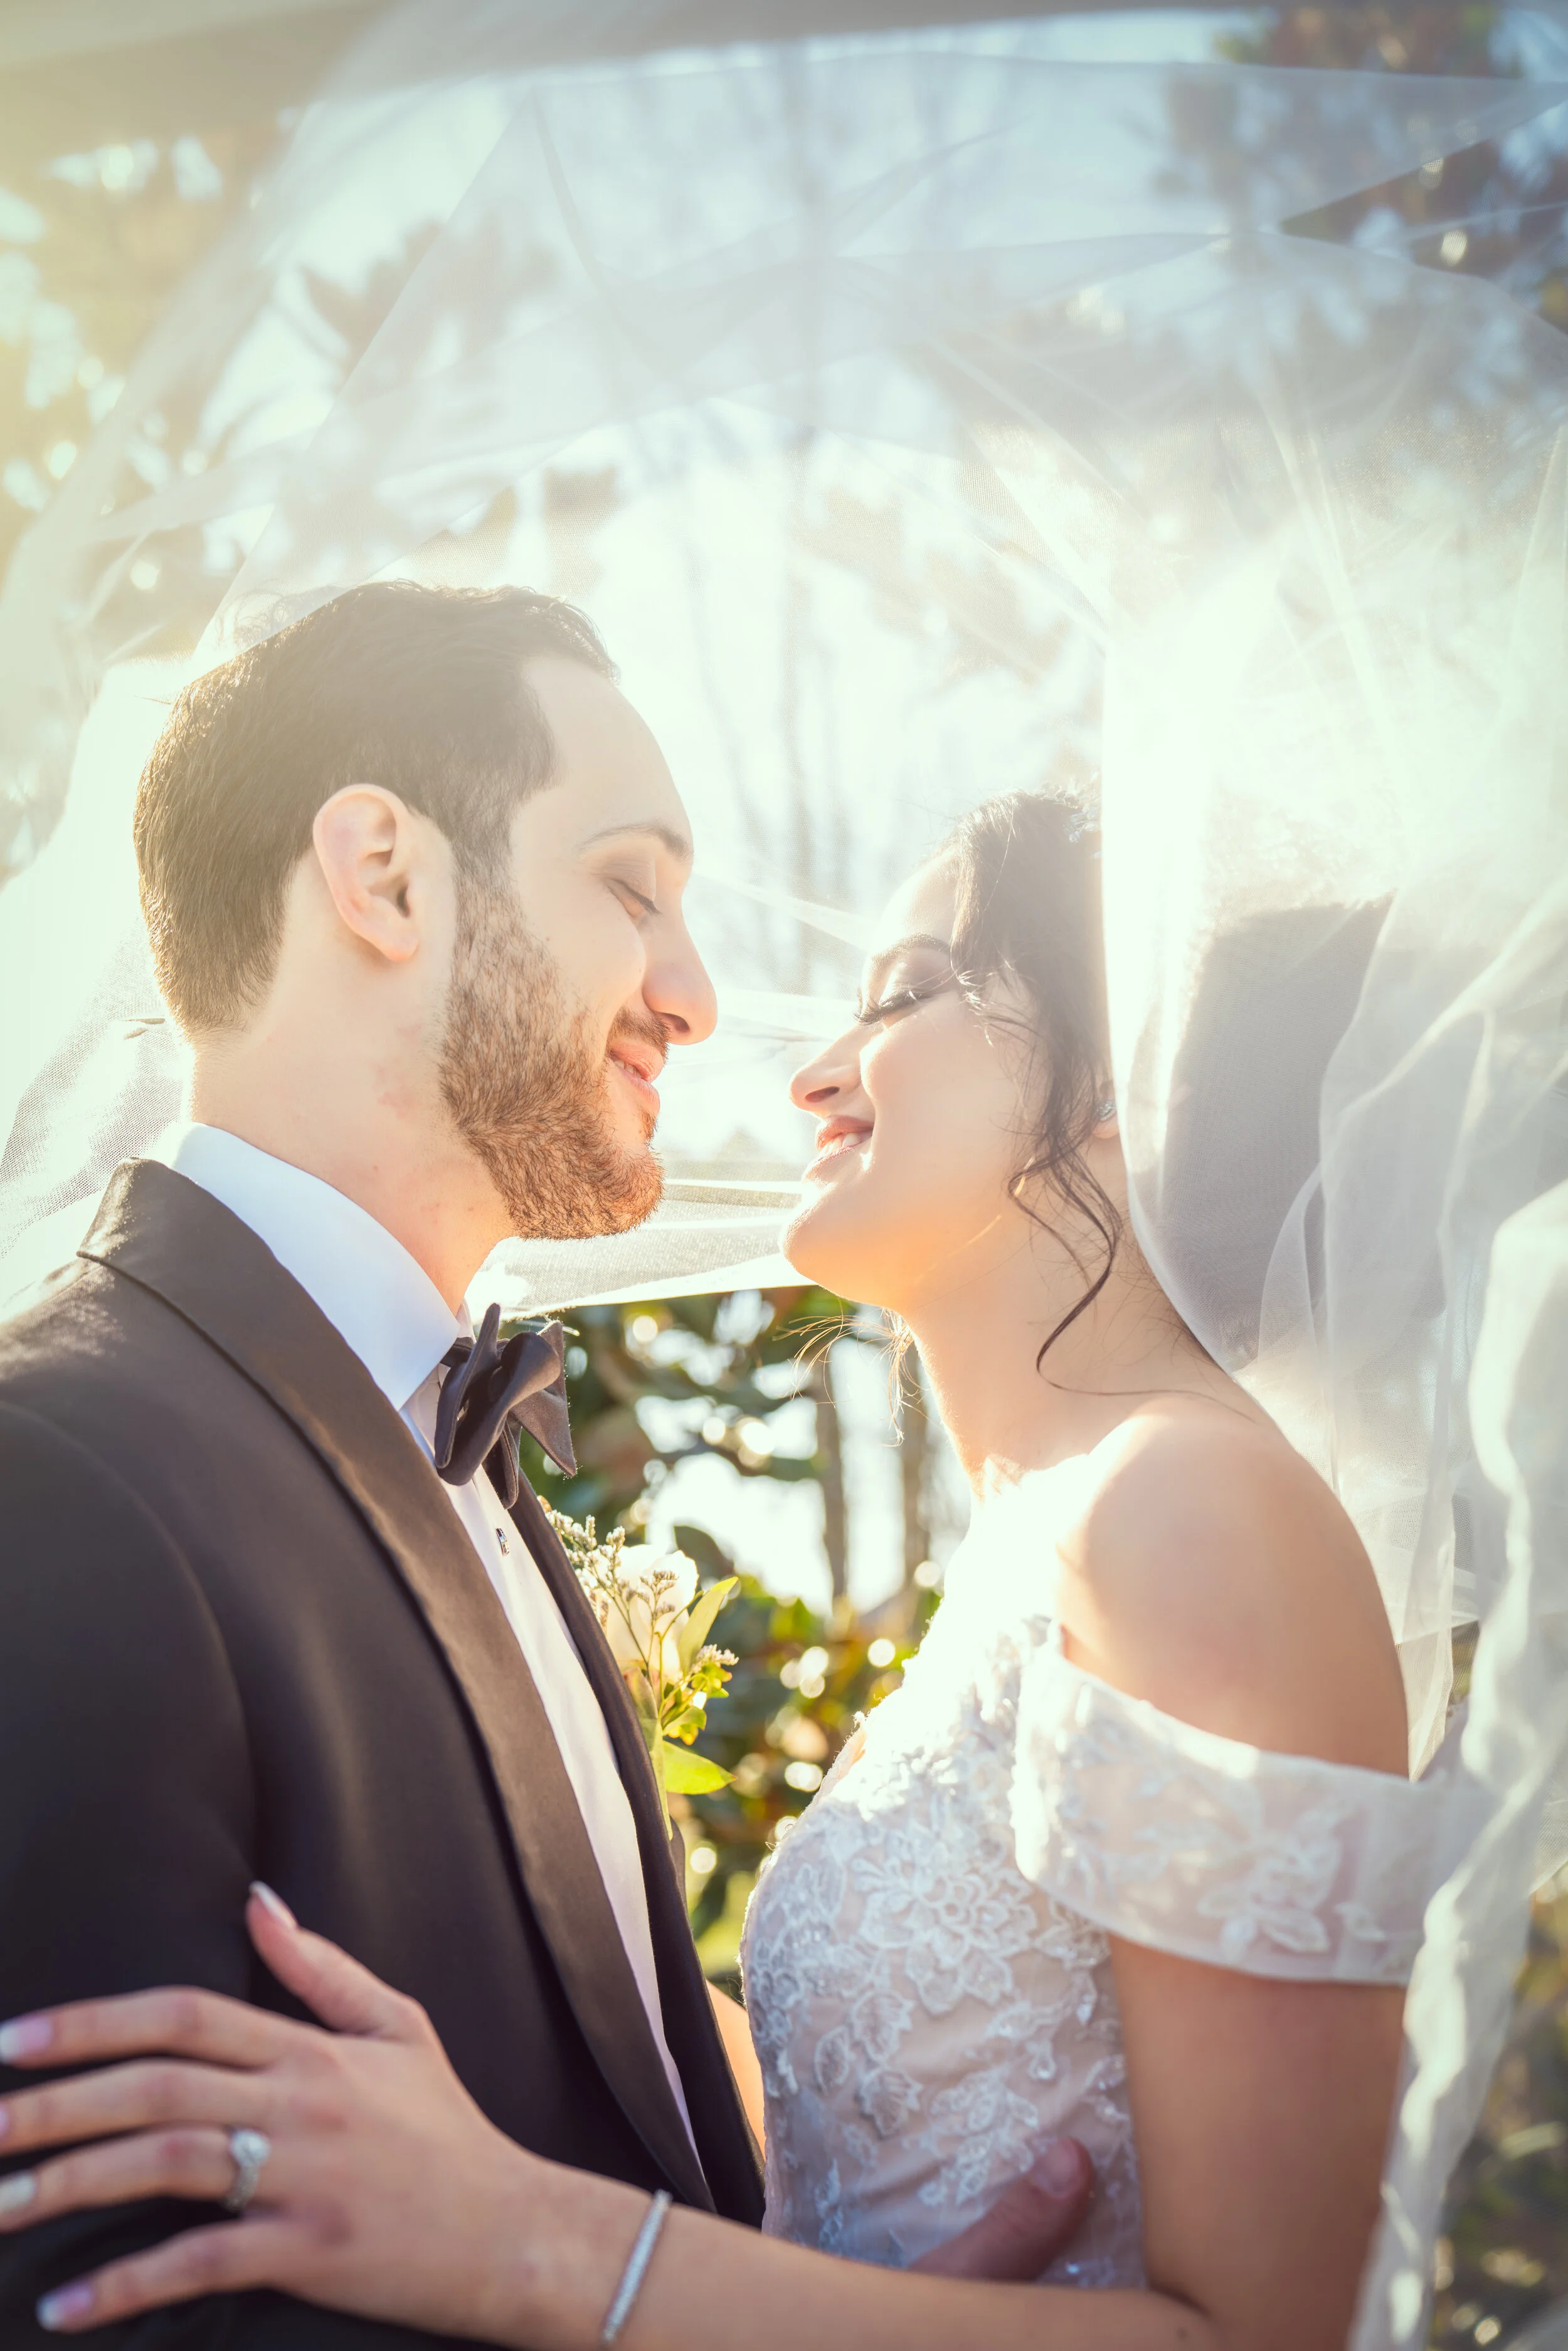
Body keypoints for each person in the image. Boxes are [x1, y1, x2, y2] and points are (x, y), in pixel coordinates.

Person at [0, 789, 1447, 2350]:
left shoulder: (1189, 1509)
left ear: (1126, 1076)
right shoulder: (1054, 1539)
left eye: (904, 994)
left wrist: (528, 2238)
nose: (814, 1071)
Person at [0, 587, 1093, 2347]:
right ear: (386, 877)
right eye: (627, 884)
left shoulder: (465, 1450)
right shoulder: (51, 1473)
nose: (695, 991)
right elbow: (116, 2290)